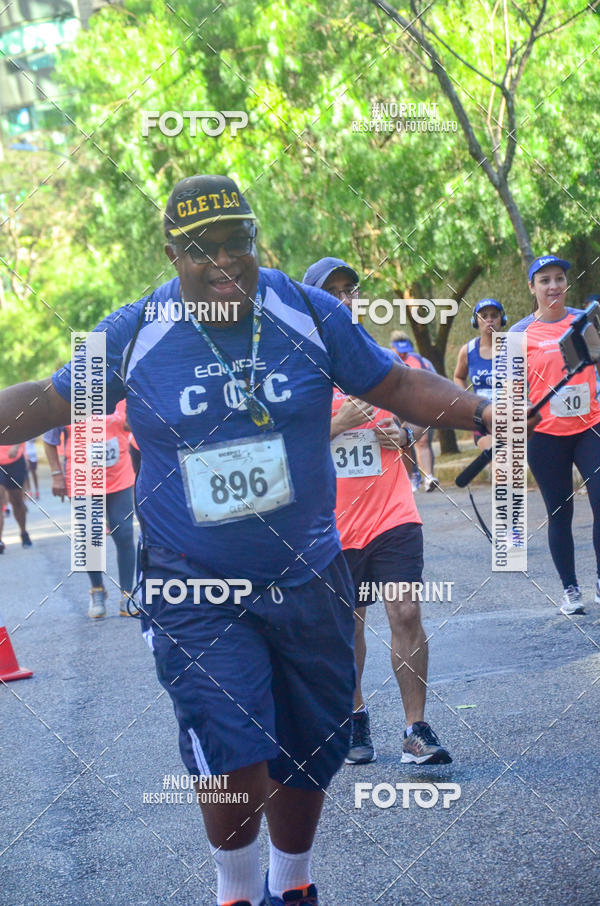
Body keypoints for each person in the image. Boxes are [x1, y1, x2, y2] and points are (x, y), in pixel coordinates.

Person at [0, 173, 513, 906]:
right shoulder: (135, 331)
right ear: (172, 254)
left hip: (310, 574)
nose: (225, 261)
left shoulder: (308, 311)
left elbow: (394, 386)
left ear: (255, 238)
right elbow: (51, 400)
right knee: (233, 742)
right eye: (201, 249)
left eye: (237, 240)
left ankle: (291, 885)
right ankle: (235, 892)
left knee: (311, 744)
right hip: (193, 585)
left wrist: (488, 412)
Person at [303, 257, 452, 767]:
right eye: (333, 291)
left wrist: (405, 433)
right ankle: (354, 716)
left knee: (405, 610)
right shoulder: (299, 370)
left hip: (393, 511)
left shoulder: (383, 361)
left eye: (351, 289)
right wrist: (337, 423)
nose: (345, 299)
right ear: (313, 303)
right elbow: (278, 445)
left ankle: (415, 729)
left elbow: (425, 412)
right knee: (348, 626)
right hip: (333, 523)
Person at [511, 255, 600, 616]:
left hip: (590, 427)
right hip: (546, 436)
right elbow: (511, 392)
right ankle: (570, 589)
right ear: (532, 288)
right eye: (544, 280)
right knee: (560, 512)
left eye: (559, 278)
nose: (553, 286)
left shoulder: (583, 321)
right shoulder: (518, 334)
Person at [43, 400, 137, 618]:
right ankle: (97, 590)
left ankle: (127, 593)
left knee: (124, 532)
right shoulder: (65, 397)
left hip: (119, 477)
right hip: (81, 480)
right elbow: (49, 440)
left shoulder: (121, 393)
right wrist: (56, 475)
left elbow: (134, 426)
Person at [454, 298, 507, 452]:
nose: (489, 320)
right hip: (482, 419)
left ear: (502, 319)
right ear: (475, 322)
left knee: (512, 461)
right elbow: (458, 377)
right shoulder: (468, 350)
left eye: (494, 315)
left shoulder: (514, 346)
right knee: (496, 456)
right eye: (484, 316)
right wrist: (468, 401)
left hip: (510, 416)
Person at [390, 330, 439, 491]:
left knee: (423, 442)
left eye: (406, 350)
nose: (403, 354)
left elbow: (435, 382)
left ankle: (429, 477)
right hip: (397, 410)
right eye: (399, 350)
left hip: (421, 408)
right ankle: (411, 478)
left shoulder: (421, 361)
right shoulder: (386, 360)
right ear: (392, 347)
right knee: (404, 444)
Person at [0, 443, 32, 552]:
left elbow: (23, 432)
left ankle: (23, 532)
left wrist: (17, 446)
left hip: (15, 461)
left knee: (17, 502)